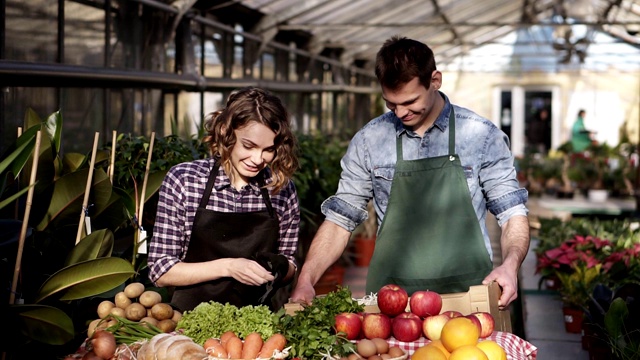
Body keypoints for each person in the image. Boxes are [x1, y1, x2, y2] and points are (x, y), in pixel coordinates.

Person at [290, 36, 530, 308]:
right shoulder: (371, 140)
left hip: (470, 296)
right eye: (391, 104)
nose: (401, 112)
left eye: (411, 101)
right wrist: (306, 279)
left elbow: (512, 213)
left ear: (435, 80)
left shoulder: (481, 136)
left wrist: (510, 265)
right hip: (391, 302)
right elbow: (340, 219)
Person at [148, 87, 300, 312]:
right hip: (189, 324)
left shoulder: (282, 190)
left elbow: (290, 267)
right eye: (248, 146)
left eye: (268, 150)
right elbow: (160, 271)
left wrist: (281, 268)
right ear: (225, 132)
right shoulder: (185, 181)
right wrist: (229, 267)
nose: (258, 159)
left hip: (257, 328)